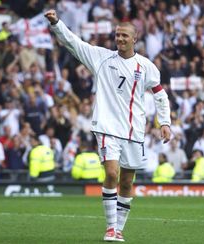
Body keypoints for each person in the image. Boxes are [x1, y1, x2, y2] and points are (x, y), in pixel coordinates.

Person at [44, 10, 171, 242]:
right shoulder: (101, 58)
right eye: (117, 35)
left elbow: (160, 95)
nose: (120, 39)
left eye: (124, 35)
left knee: (126, 182)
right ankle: (111, 228)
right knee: (112, 173)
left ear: (135, 38)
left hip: (134, 130)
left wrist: (165, 122)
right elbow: (73, 42)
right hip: (106, 127)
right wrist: (56, 23)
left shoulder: (146, 66)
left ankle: (119, 229)